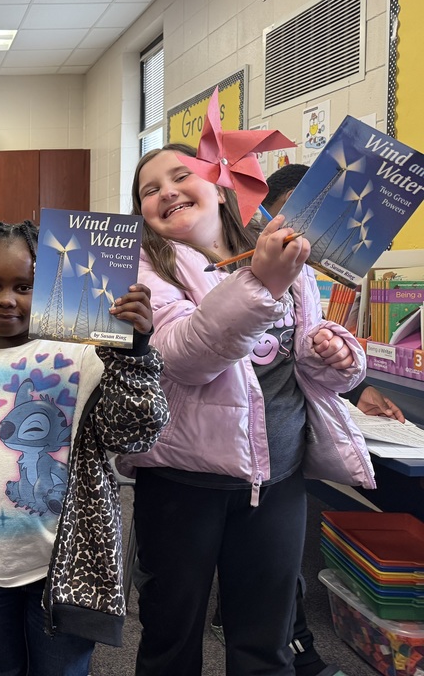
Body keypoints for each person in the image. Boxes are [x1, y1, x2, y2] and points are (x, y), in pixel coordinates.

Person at [120, 143, 375, 676]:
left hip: (277, 477)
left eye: (180, 175)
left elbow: (308, 362)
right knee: (171, 633)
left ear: (218, 183)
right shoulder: (145, 268)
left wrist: (332, 352)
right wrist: (263, 282)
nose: (165, 190)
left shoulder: (282, 250)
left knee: (267, 638)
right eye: (149, 190)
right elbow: (184, 356)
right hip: (180, 482)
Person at [0, 220, 170, 676]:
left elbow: (136, 432)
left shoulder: (85, 358)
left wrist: (133, 353)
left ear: (50, 287)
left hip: (62, 569)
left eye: (24, 286)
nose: (7, 299)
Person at [205, 162, 405, 676]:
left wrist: (355, 383)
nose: (307, 236)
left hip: (282, 452)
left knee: (273, 575)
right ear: (267, 210)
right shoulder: (229, 258)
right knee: (190, 585)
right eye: (300, 216)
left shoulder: (306, 274)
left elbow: (307, 340)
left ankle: (298, 648)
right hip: (213, 451)